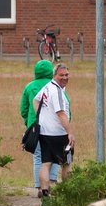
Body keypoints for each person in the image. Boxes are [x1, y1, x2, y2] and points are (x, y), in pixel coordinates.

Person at [21, 58, 61, 195]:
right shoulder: (55, 85)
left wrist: (28, 122)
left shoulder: (29, 86)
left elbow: (24, 109)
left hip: (35, 126)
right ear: (51, 71)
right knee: (55, 155)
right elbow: (65, 104)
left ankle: (39, 187)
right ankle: (52, 183)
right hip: (54, 127)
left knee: (38, 156)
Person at [34, 63, 74, 198]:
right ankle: (66, 193)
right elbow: (61, 113)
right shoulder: (56, 91)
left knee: (46, 163)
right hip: (59, 134)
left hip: (44, 133)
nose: (64, 77)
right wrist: (70, 132)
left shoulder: (47, 87)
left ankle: (44, 192)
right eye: (61, 75)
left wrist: (42, 118)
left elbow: (36, 100)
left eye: (66, 75)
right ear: (54, 75)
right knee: (66, 163)